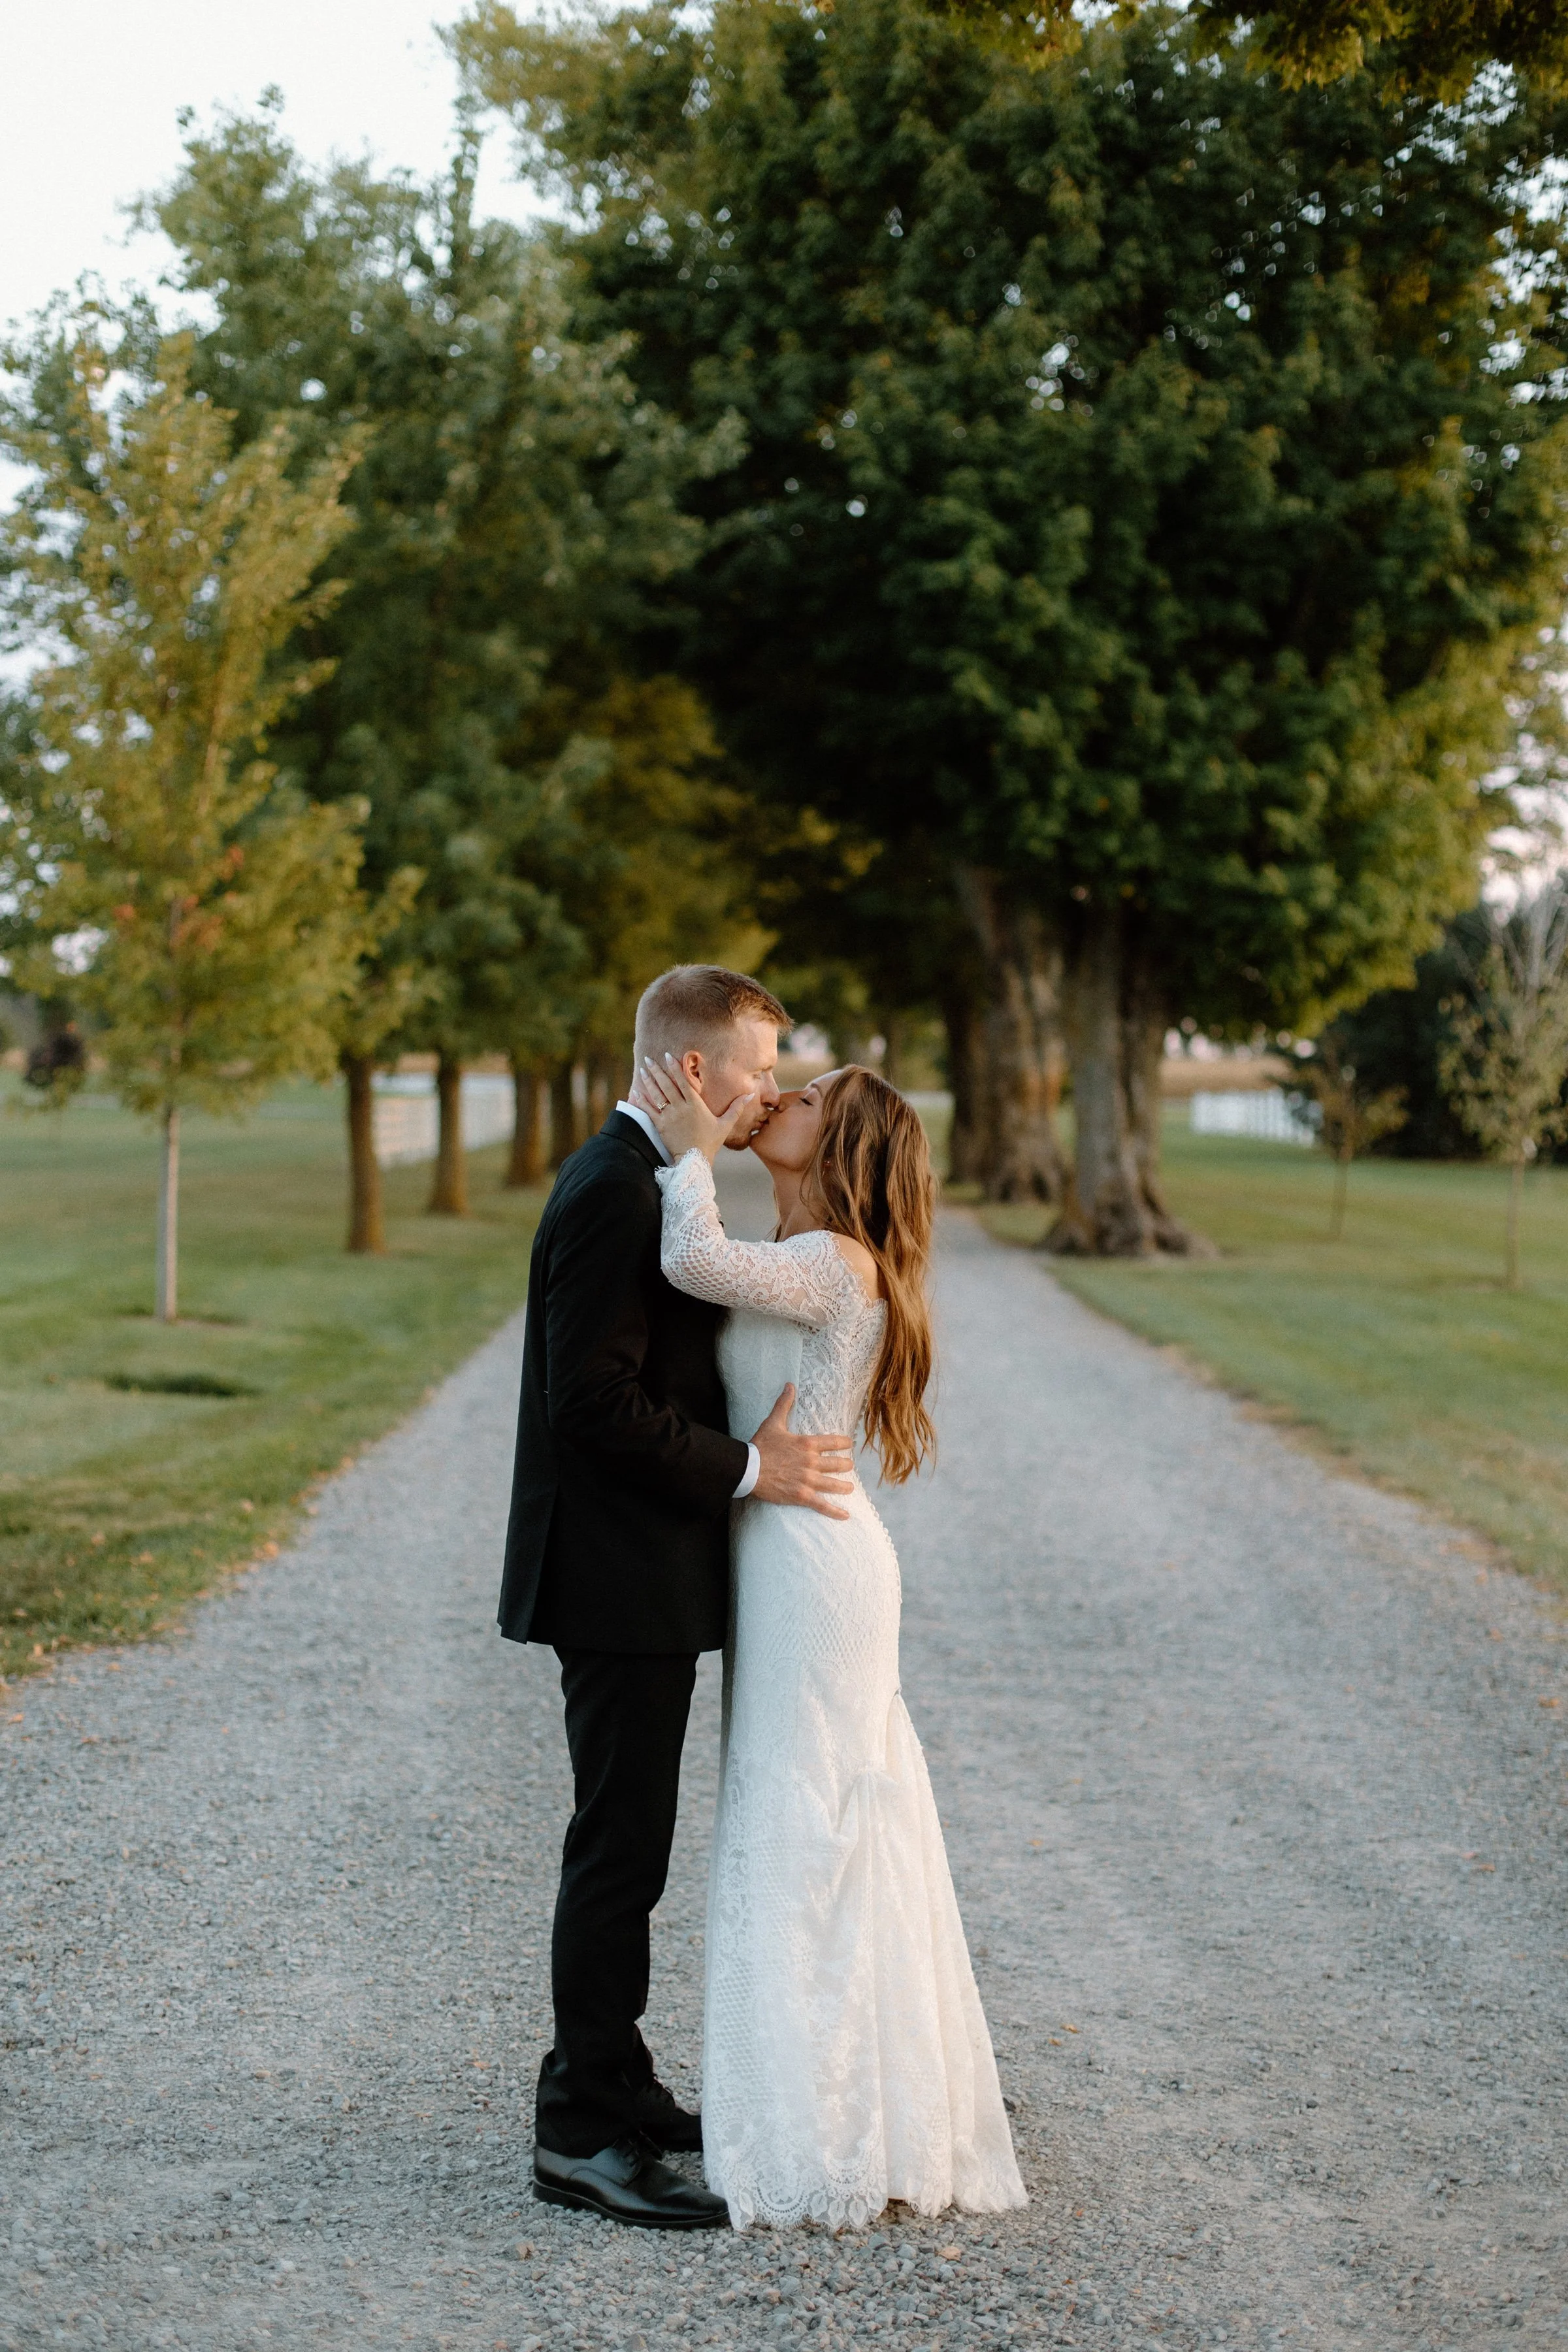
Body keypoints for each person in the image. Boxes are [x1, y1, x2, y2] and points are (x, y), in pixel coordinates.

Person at [629, 1053, 1026, 2231]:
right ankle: (843, 2108)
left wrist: (689, 1146)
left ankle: (830, 2130)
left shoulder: (834, 1262)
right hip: (788, 1554)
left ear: (841, 1144)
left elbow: (688, 1259)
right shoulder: (806, 1255)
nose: (781, 1097)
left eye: (806, 1098)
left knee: (806, 1822)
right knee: (808, 1821)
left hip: (816, 1568)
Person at [498, 966, 857, 2231]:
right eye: (758, 1067)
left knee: (631, 1852)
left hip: (643, 1574)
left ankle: (619, 2084)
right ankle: (579, 2132)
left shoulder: (648, 1178)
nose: (767, 1090)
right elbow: (590, 1405)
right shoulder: (611, 1189)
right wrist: (757, 1469)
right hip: (612, 1580)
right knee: (617, 1855)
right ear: (695, 1072)